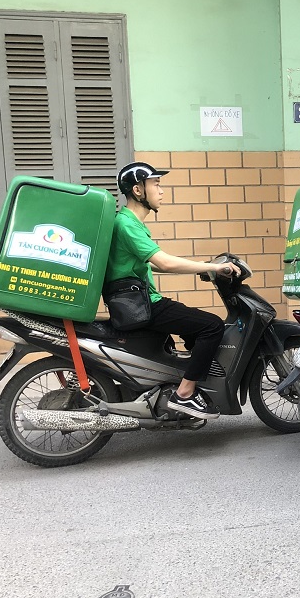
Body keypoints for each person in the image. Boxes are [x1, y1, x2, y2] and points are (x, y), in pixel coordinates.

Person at [104, 162, 241, 420]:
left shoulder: (127, 222)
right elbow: (165, 262)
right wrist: (213, 267)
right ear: (138, 190)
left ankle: (192, 381)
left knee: (193, 328)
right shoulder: (127, 224)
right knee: (212, 326)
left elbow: (153, 264)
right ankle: (185, 394)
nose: (161, 191)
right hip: (143, 305)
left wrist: (201, 267)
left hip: (137, 301)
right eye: (155, 184)